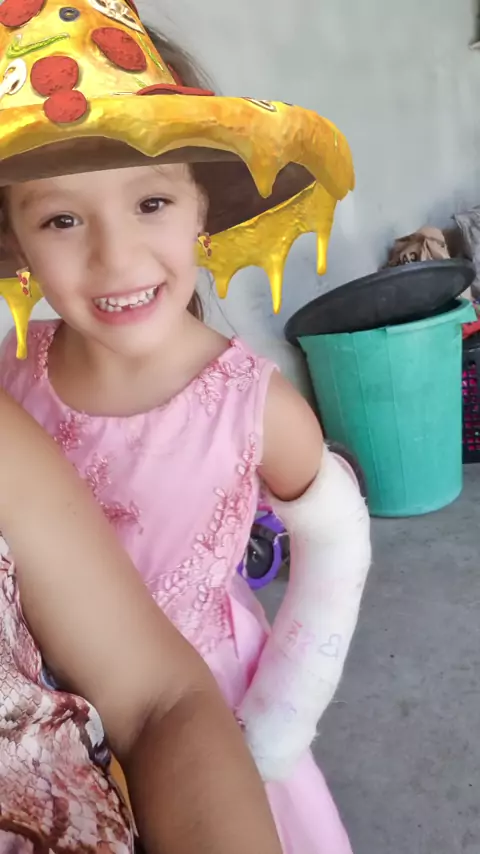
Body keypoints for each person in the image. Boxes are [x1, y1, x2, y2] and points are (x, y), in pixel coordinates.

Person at [0, 4, 371, 852]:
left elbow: (337, 543)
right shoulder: (10, 380)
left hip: (215, 721)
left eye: (152, 202)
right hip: (52, 731)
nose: (117, 257)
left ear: (203, 206)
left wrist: (280, 723)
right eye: (61, 219)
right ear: (15, 240)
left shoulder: (255, 405)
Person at [0, 387, 283, 853]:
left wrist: (294, 702)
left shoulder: (254, 398)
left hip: (219, 687)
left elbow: (160, 699)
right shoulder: (26, 375)